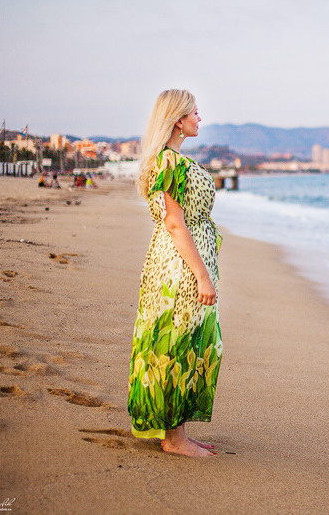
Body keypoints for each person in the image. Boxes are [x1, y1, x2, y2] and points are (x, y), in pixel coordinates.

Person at [127, 89, 223, 457]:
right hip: (179, 268)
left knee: (186, 342)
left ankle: (177, 431)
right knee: (177, 344)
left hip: (180, 262)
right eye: (195, 113)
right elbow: (174, 223)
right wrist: (202, 276)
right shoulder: (169, 162)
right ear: (178, 120)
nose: (200, 118)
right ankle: (174, 439)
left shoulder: (172, 160)